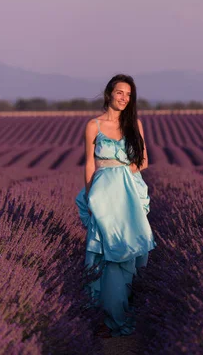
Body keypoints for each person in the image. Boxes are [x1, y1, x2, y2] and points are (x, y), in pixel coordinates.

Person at [75, 74, 157, 338]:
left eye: (129, 94)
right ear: (109, 93)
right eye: (120, 92)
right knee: (104, 252)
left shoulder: (135, 124)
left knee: (128, 252)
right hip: (102, 196)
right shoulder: (93, 126)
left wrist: (125, 172)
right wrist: (90, 198)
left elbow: (143, 161)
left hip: (128, 194)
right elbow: (89, 163)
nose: (124, 98)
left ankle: (122, 311)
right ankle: (106, 317)